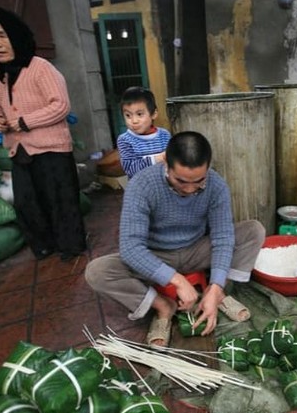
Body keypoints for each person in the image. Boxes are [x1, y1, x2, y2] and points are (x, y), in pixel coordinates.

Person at [85, 131, 266, 346]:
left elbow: (223, 236)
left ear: (207, 168)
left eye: (198, 181)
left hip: (195, 249)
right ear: (166, 165)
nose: (190, 189)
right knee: (97, 272)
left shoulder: (216, 185)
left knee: (253, 231)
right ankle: (163, 306)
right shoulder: (142, 185)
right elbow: (131, 248)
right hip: (156, 255)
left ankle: (217, 295)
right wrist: (176, 280)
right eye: (181, 181)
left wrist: (216, 284)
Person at [0, 5, 86, 261]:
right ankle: (44, 245)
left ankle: (70, 246)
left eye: (2, 36)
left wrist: (24, 122)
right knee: (27, 201)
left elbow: (60, 105)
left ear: (16, 36)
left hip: (51, 148)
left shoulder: (41, 68)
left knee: (59, 199)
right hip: (20, 149)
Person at [116, 86, 171, 178]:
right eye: (128, 115)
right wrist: (157, 159)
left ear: (153, 114)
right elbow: (130, 169)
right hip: (141, 188)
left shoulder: (164, 135)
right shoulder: (125, 140)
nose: (134, 121)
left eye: (139, 114)